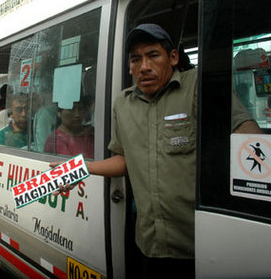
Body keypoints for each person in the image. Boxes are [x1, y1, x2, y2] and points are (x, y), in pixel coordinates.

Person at [53, 24, 260, 278]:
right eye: (136, 59)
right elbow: (123, 159)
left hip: (203, 244)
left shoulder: (197, 86)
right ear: (129, 66)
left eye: (153, 55)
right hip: (151, 244)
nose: (144, 67)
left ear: (173, 58)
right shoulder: (123, 104)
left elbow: (246, 132)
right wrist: (78, 169)